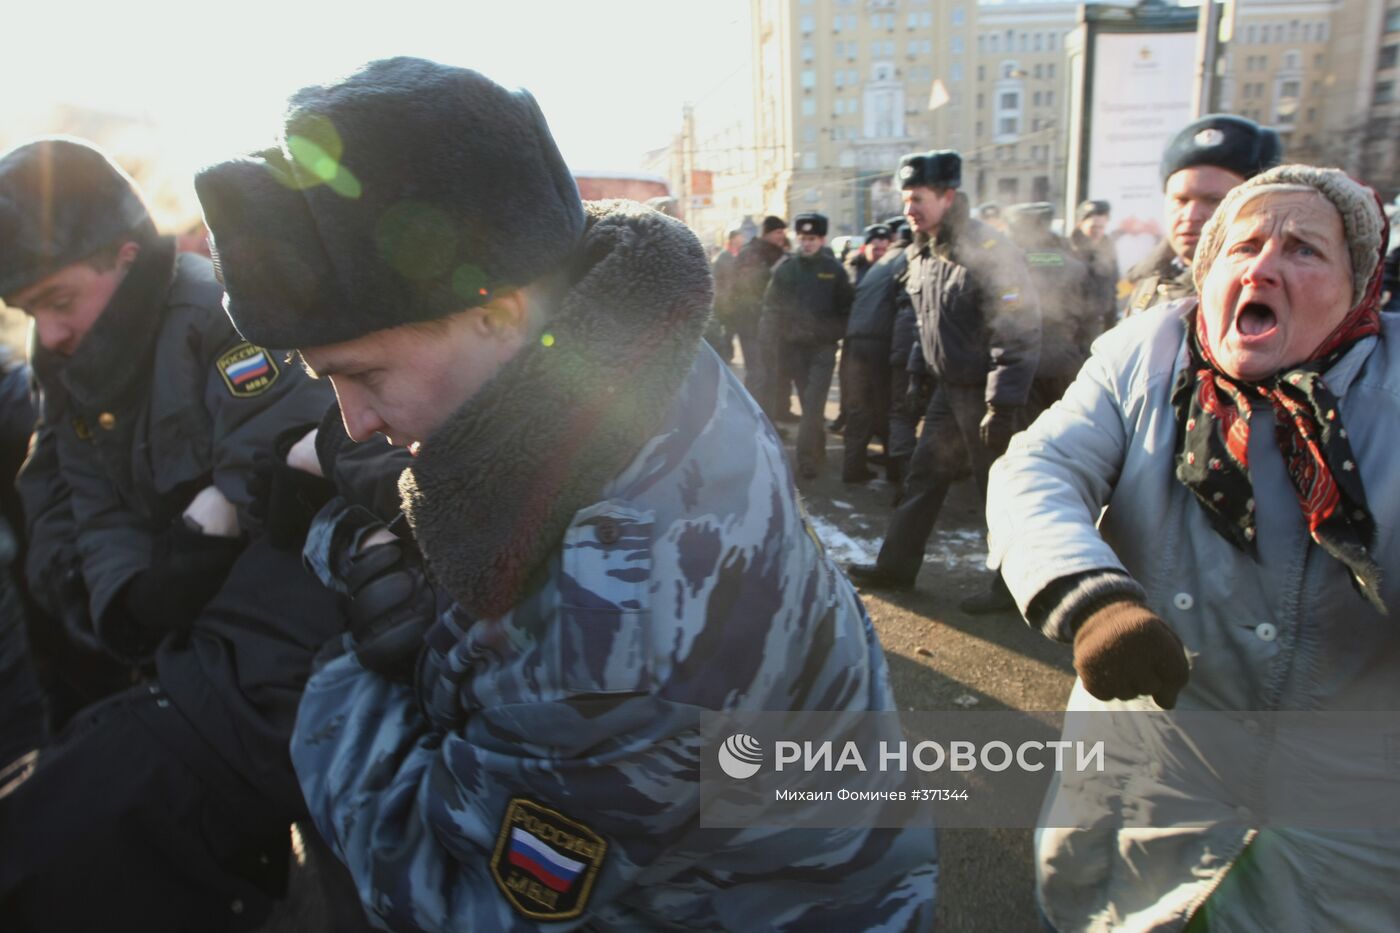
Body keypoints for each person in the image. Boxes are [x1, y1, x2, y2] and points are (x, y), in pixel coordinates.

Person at [194, 57, 938, 931]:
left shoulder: (617, 634)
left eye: (364, 374)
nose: (351, 422)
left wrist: (342, 682)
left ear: (503, 311)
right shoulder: (634, 353)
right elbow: (487, 489)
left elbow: (440, 889)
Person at [987, 166, 1398, 931]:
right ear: (1207, 274)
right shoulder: (1146, 353)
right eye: (1242, 245)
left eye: (1305, 249)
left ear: (1360, 288)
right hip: (1145, 787)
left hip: (1339, 831)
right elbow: (1039, 468)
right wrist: (1094, 598)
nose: (1264, 265)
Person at [0, 136, 357, 931]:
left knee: (359, 871)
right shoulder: (72, 374)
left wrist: (210, 531)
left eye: (59, 300)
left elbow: (281, 478)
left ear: (124, 259)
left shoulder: (217, 320)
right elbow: (83, 511)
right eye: (31, 313)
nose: (49, 332)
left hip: (289, 667)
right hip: (180, 666)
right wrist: (134, 596)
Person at [847, 150, 1038, 615]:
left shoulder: (988, 252)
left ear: (948, 196)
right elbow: (924, 322)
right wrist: (916, 376)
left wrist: (1003, 403)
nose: (907, 208)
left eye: (917, 198)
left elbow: (1018, 328)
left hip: (985, 395)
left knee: (999, 490)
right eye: (905, 198)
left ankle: (1014, 587)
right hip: (946, 392)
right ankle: (896, 566)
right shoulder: (923, 250)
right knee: (923, 477)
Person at [1124, 115, 1281, 317]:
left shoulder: (1262, 292)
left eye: (1213, 200)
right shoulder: (1147, 280)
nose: (1191, 215)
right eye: (1181, 200)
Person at [762, 212, 854, 479]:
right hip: (795, 350)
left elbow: (847, 309)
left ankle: (806, 460)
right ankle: (818, 448)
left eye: (812, 239)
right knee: (808, 403)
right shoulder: (787, 269)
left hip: (823, 349)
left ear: (822, 239)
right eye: (803, 238)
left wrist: (831, 333)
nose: (807, 243)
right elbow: (772, 306)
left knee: (813, 406)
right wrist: (775, 340)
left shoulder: (834, 270)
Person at [1005, 202, 1097, 422]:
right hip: (1068, 363)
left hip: (1024, 367)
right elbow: (1091, 318)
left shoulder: (1009, 269)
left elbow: (1004, 316)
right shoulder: (1075, 266)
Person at [841, 229, 908, 484]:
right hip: (882, 342)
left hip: (856, 342)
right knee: (890, 408)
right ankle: (896, 472)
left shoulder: (882, 263)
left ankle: (853, 467)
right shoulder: (907, 258)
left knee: (859, 408)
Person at [731, 214, 789, 410]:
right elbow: (748, 285)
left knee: (771, 375)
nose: (782, 236)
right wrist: (774, 270)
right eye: (778, 232)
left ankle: (769, 425)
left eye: (783, 232)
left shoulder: (775, 252)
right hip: (751, 324)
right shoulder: (752, 252)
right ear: (767, 233)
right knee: (758, 374)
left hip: (769, 325)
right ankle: (752, 422)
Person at [1068, 199, 1119, 334]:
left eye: (1101, 227)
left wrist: (1111, 324)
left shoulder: (1108, 248)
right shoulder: (1068, 249)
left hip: (1102, 324)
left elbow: (1112, 288)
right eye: (1093, 227)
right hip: (1075, 326)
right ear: (1080, 224)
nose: (1097, 232)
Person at [706, 225, 745, 362]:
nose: (742, 240)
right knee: (727, 331)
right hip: (725, 302)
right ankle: (726, 355)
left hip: (736, 301)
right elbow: (715, 281)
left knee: (731, 330)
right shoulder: (723, 258)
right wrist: (722, 299)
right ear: (732, 239)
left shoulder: (740, 255)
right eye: (739, 238)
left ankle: (728, 354)